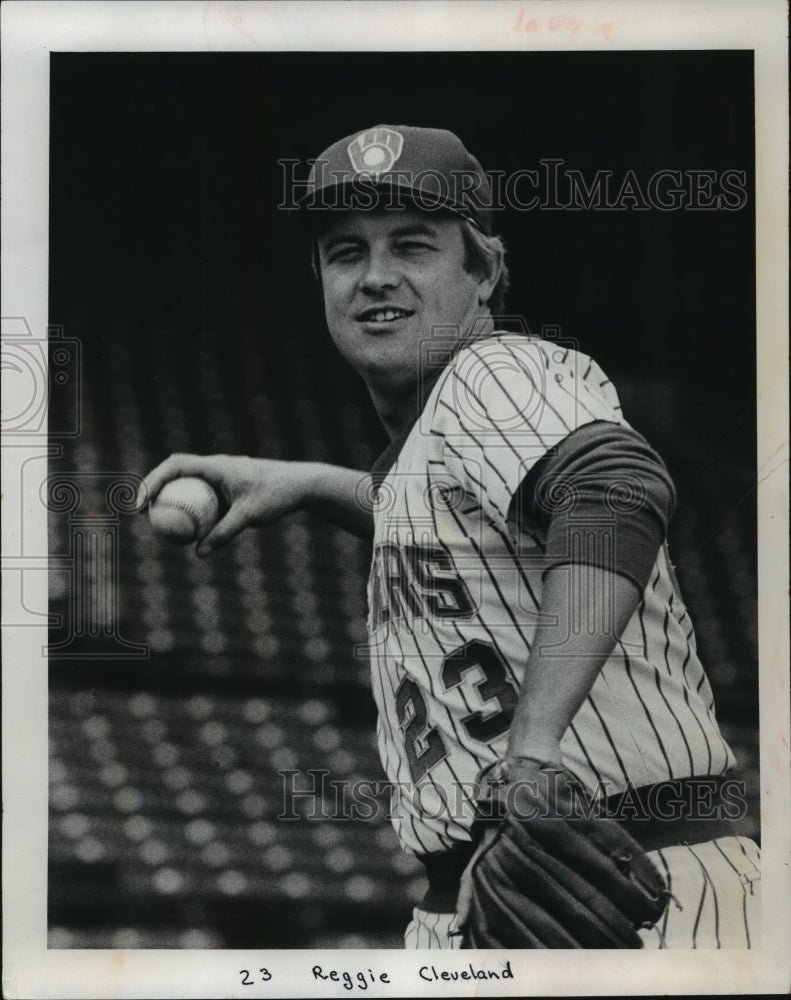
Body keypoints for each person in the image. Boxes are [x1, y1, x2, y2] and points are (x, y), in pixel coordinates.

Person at [139, 125, 760, 949]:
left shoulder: (489, 372)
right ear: (319, 280)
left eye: (412, 245)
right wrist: (306, 481)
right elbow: (454, 525)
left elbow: (614, 487)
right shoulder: (441, 439)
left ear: (485, 272)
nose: (376, 277)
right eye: (345, 253)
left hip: (632, 885)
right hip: (486, 897)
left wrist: (532, 755)